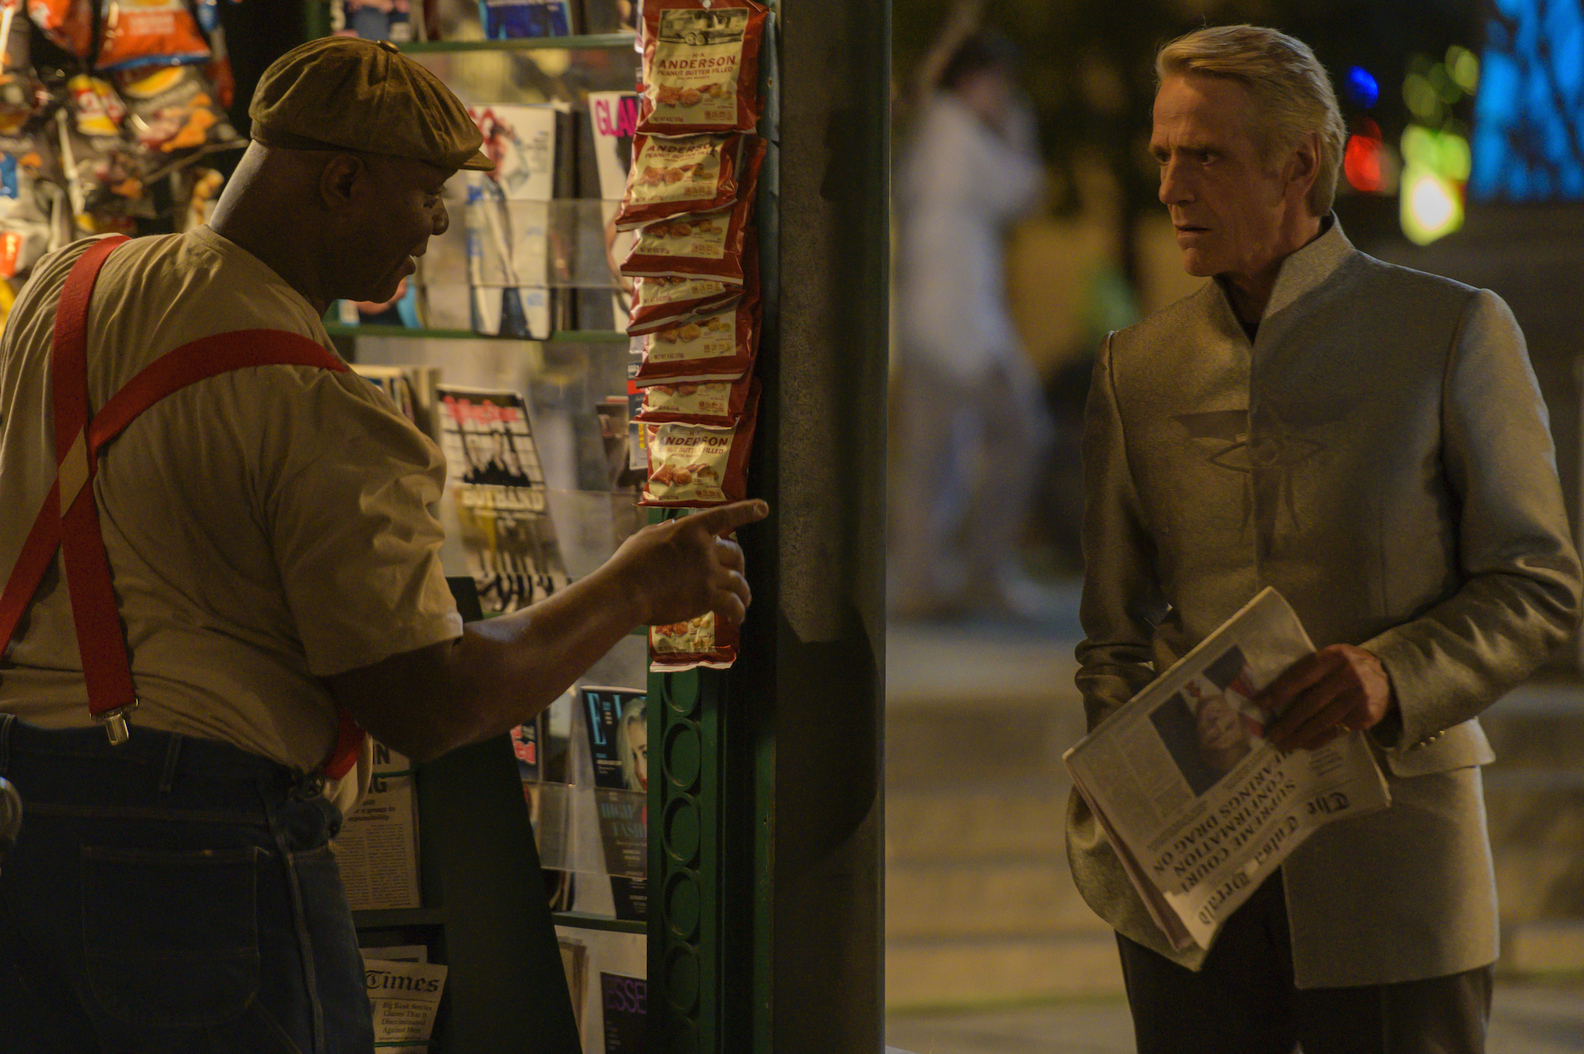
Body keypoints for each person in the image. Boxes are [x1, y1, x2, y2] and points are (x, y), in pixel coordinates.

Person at [0, 36, 766, 1052]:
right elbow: (429, 698)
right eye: (428, 197)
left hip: (26, 817)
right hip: (204, 860)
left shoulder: (70, 285)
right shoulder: (325, 411)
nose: (440, 227)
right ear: (344, 181)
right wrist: (631, 588)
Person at [1066, 24, 1582, 1054]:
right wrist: (1129, 817)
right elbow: (1111, 639)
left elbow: (1539, 585)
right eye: (1163, 154)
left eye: (1204, 155)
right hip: (1190, 890)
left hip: (1397, 867)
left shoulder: (1451, 329)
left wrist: (1392, 675)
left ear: (1301, 162)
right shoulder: (1137, 369)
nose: (1171, 185)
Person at [889, 28, 1053, 621]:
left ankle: (921, 581)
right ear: (974, 81)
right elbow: (1024, 188)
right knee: (1022, 433)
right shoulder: (959, 132)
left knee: (933, 458)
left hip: (930, 317)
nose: (1003, 96)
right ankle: (983, 571)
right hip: (962, 323)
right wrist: (1017, 128)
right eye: (999, 85)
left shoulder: (933, 133)